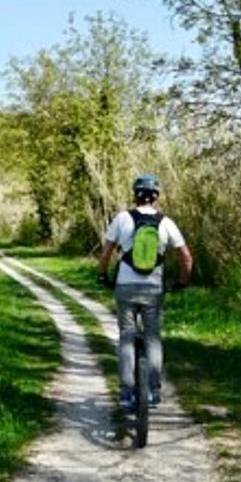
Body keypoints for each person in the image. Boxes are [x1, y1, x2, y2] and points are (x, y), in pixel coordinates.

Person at [97, 174, 192, 412]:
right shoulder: (166, 222)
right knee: (152, 337)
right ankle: (155, 390)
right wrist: (182, 281)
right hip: (153, 288)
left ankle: (127, 392)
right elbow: (187, 257)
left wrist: (102, 276)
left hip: (125, 287)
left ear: (135, 195)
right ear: (156, 197)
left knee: (127, 337)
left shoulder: (122, 219)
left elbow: (106, 254)